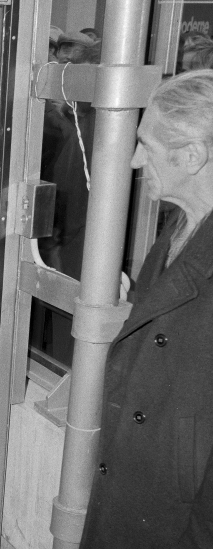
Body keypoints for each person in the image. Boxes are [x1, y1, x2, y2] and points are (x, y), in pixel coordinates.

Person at [80, 69, 213, 549]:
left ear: (192, 156)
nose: (135, 160)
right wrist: (134, 307)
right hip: (137, 474)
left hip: (178, 510)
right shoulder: (182, 226)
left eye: (147, 146)